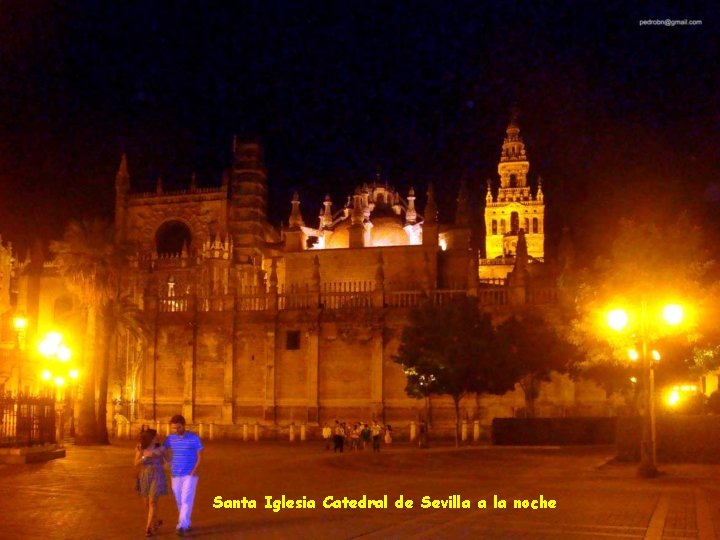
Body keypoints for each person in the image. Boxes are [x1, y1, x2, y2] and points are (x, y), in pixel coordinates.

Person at [164, 415, 203, 537]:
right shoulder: (170, 439)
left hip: (189, 474)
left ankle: (181, 525)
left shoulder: (194, 438)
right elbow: (163, 450)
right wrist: (168, 462)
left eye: (178, 427)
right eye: (174, 428)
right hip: (175, 474)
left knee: (186, 499)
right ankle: (186, 522)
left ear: (184, 425)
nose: (176, 430)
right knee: (179, 500)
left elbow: (200, 455)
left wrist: (194, 470)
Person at [135, 428, 168, 537]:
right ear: (151, 438)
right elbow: (135, 463)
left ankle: (148, 528)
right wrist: (144, 457)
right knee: (147, 504)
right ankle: (156, 521)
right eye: (155, 436)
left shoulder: (161, 448)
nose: (158, 437)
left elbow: (167, 461)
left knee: (152, 501)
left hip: (157, 475)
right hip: (145, 476)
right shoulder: (140, 447)